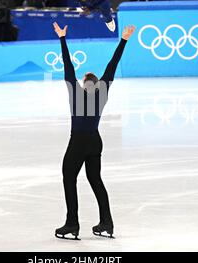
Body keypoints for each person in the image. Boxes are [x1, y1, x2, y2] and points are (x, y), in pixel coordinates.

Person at [53, 22, 136, 240]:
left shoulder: (75, 92)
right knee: (95, 180)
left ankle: (72, 223)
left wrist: (62, 38)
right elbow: (112, 65)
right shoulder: (103, 92)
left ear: (83, 82)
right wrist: (124, 40)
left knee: (69, 179)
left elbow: (68, 65)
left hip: (79, 142)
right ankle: (106, 222)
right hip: (95, 141)